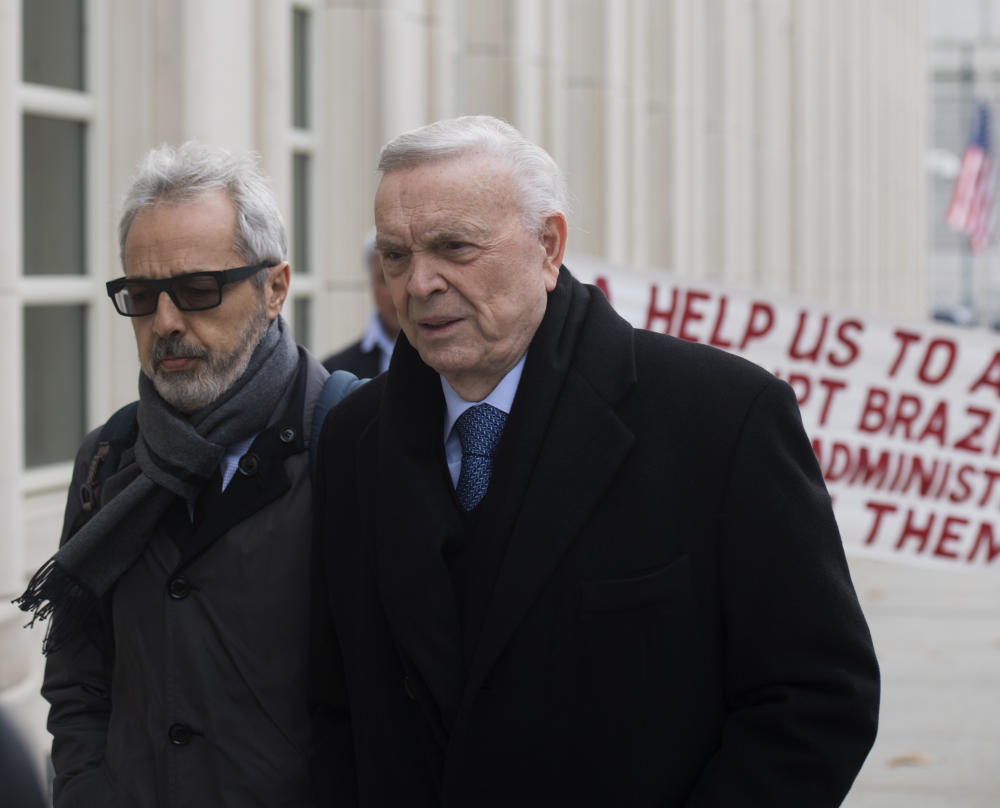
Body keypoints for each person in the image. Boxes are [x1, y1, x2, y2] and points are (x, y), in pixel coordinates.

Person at [310, 115, 881, 806]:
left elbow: (817, 700)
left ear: (548, 247)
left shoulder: (723, 418)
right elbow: (335, 713)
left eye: (454, 247)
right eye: (396, 257)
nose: (419, 283)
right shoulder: (349, 442)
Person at [15, 142, 330, 807]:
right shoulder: (109, 457)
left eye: (196, 290)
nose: (164, 322)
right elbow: (79, 679)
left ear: (275, 288)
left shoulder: (348, 438)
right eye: (141, 294)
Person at [323, 229, 399, 376]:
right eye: (384, 280)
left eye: (403, 276)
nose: (397, 293)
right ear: (371, 286)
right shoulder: (335, 372)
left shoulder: (447, 363)